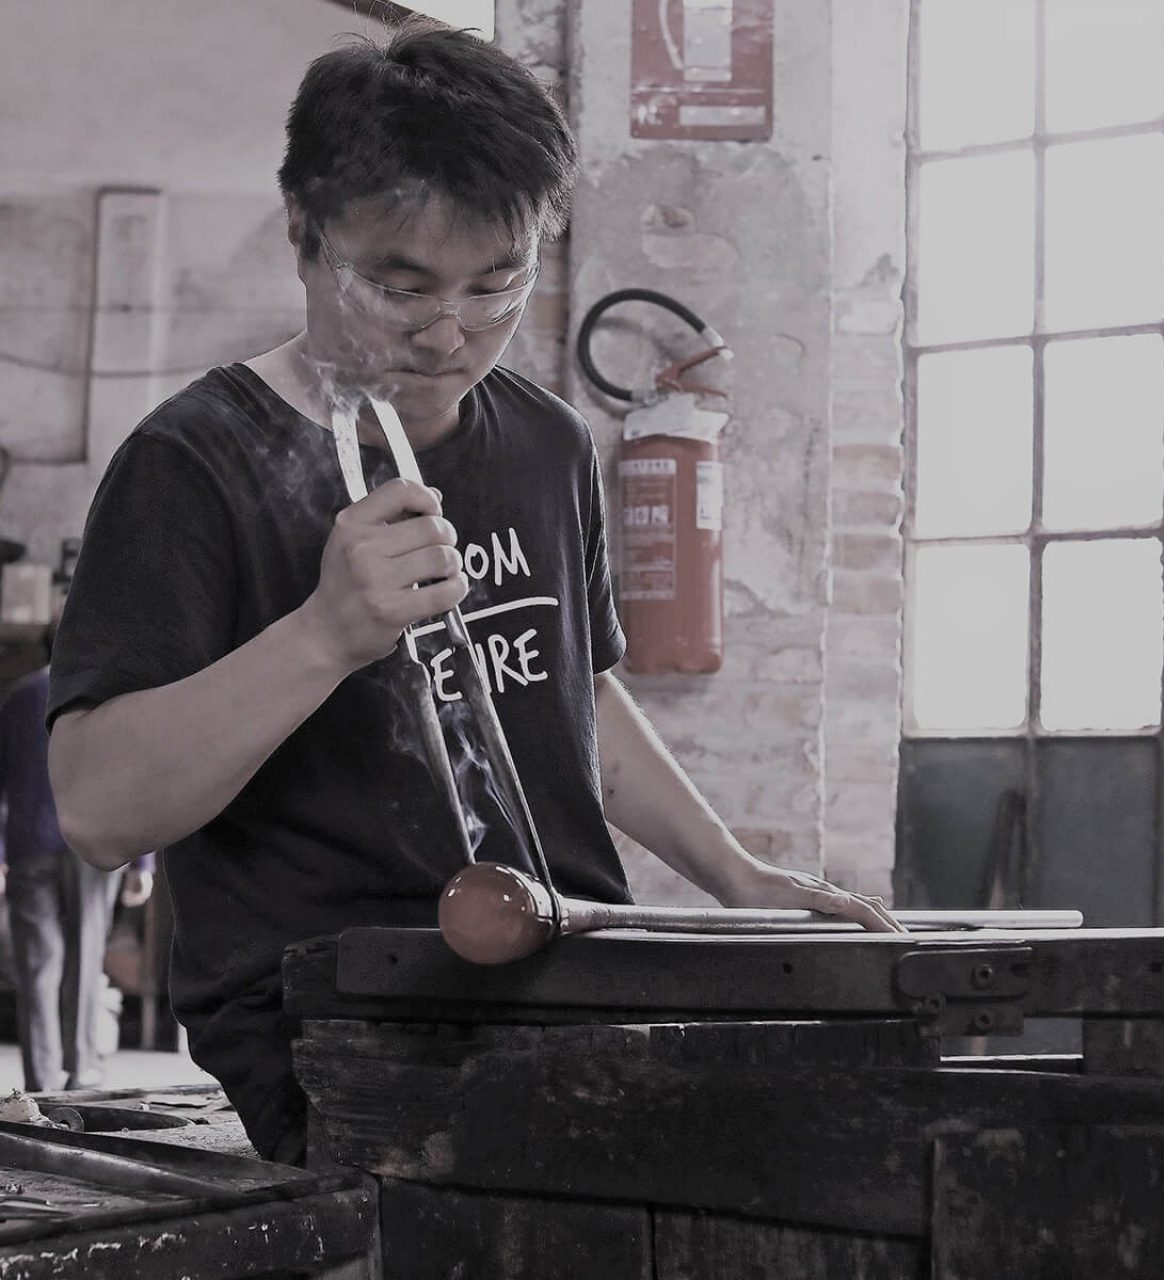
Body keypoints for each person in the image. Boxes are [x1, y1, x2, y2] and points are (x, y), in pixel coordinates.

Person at [46, 20, 902, 1165]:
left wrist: (739, 877)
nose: (451, 333)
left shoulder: (545, 441)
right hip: (332, 1015)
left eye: (497, 281)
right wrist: (323, 634)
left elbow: (572, 701)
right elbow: (99, 811)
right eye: (399, 287)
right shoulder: (196, 461)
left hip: (558, 968)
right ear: (304, 237)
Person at [0, 649, 153, 1092]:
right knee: (86, 958)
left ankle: (42, 1078)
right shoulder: (106, 697)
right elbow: (133, 780)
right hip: (92, 843)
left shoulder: (17, 697)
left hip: (30, 846)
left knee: (37, 968)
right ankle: (82, 1068)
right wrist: (141, 861)